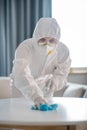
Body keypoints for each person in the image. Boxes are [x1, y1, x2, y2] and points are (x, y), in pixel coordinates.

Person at [10, 17, 71, 109]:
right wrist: (36, 96)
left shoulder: (63, 51)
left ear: (57, 39)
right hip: (21, 88)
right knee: (20, 115)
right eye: (42, 40)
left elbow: (62, 74)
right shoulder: (25, 47)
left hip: (46, 88)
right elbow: (21, 74)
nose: (47, 44)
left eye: (51, 41)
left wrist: (53, 84)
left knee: (45, 118)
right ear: (36, 37)